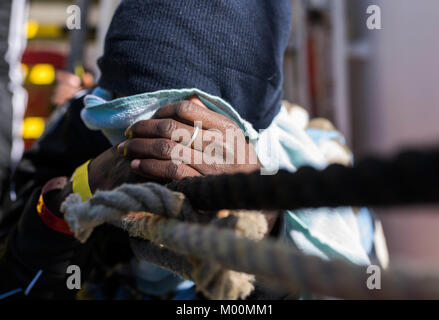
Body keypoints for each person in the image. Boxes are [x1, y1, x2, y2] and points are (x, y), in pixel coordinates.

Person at [0, 0, 376, 300]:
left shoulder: (324, 168)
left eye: (202, 136)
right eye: (134, 126)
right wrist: (80, 189)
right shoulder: (79, 134)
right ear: (109, 102)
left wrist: (267, 220)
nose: (170, 158)